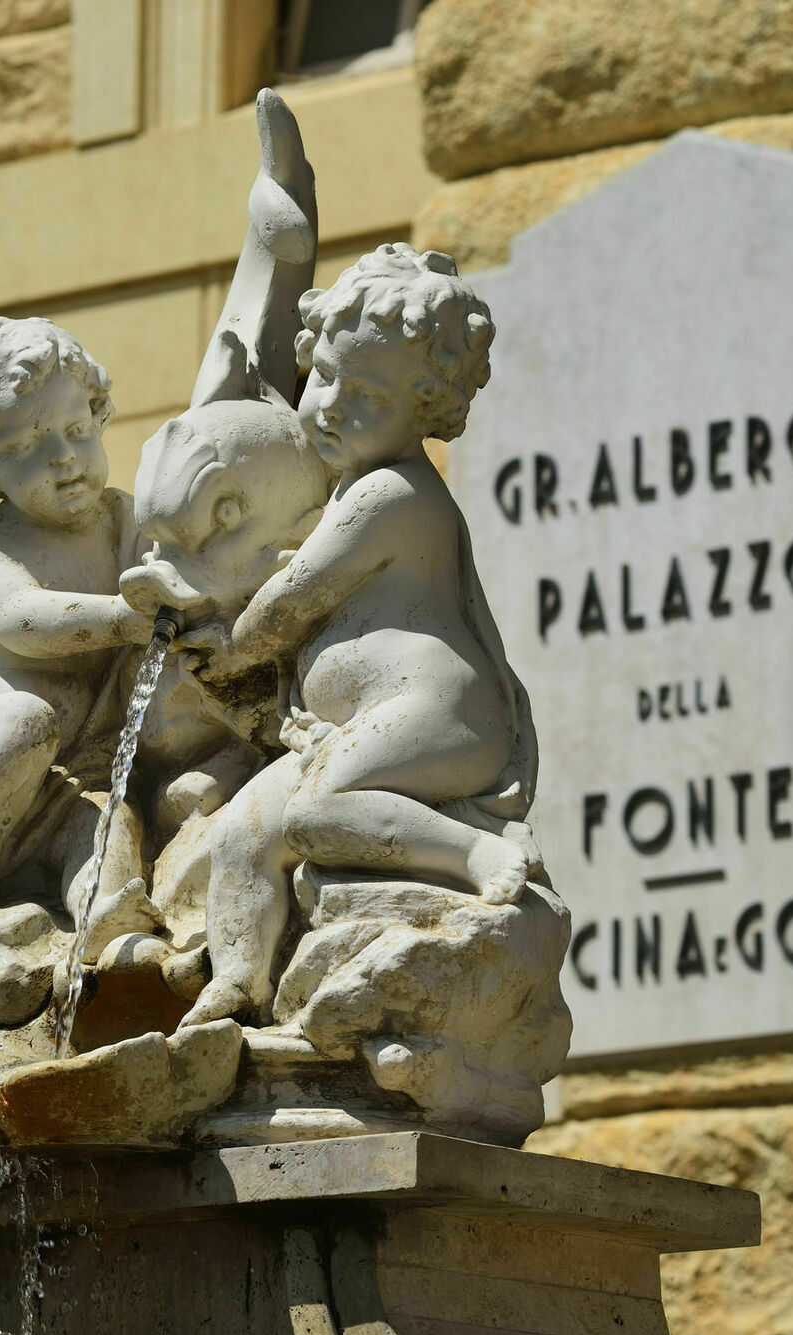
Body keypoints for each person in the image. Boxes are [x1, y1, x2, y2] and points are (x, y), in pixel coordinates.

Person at [178, 243, 542, 1028]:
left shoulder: (390, 493)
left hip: (439, 714)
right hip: (363, 727)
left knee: (313, 812)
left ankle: (471, 852)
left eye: (367, 395)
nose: (333, 405)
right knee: (244, 834)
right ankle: (237, 986)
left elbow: (290, 602)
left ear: (427, 411)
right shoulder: (353, 481)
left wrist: (230, 642)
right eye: (326, 379)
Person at [0, 316, 158, 934]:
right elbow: (24, 620)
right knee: (23, 720)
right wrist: (125, 618)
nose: (64, 459)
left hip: (71, 779)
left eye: (78, 430)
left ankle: (102, 910)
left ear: (99, 414)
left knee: (109, 820)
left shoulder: (122, 520)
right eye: (26, 447)